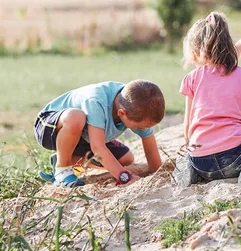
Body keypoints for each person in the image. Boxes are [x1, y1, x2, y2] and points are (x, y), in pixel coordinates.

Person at [173, 12, 241, 188]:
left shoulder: (192, 79)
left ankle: (190, 169)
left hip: (201, 161)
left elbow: (188, 126)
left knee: (192, 153)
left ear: (196, 52)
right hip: (235, 158)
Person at [34, 79, 165, 187]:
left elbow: (150, 147)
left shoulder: (140, 106)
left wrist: (157, 174)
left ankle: (67, 158)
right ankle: (62, 169)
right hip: (51, 127)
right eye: (138, 127)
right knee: (76, 117)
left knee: (126, 158)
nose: (141, 129)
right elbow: (98, 147)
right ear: (122, 113)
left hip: (84, 137)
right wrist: (124, 177)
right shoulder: (96, 101)